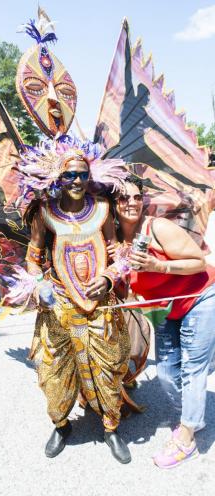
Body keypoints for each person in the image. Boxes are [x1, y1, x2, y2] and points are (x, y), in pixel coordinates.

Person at [22, 139, 131, 464]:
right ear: (58, 176)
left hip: (99, 307)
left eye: (82, 174)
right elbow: (33, 257)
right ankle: (61, 424)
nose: (76, 181)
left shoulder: (102, 210)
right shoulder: (44, 212)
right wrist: (40, 284)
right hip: (58, 307)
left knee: (107, 372)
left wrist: (110, 276)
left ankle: (111, 428)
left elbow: (118, 255)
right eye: (69, 175)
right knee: (53, 373)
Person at [111, 175, 215, 468]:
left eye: (135, 196)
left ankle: (186, 437)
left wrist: (159, 265)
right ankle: (191, 418)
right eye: (122, 197)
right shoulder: (115, 240)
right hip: (164, 309)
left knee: (193, 367)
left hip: (200, 297)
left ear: (143, 200)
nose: (130, 202)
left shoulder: (157, 227)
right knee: (168, 373)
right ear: (113, 204)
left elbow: (197, 260)